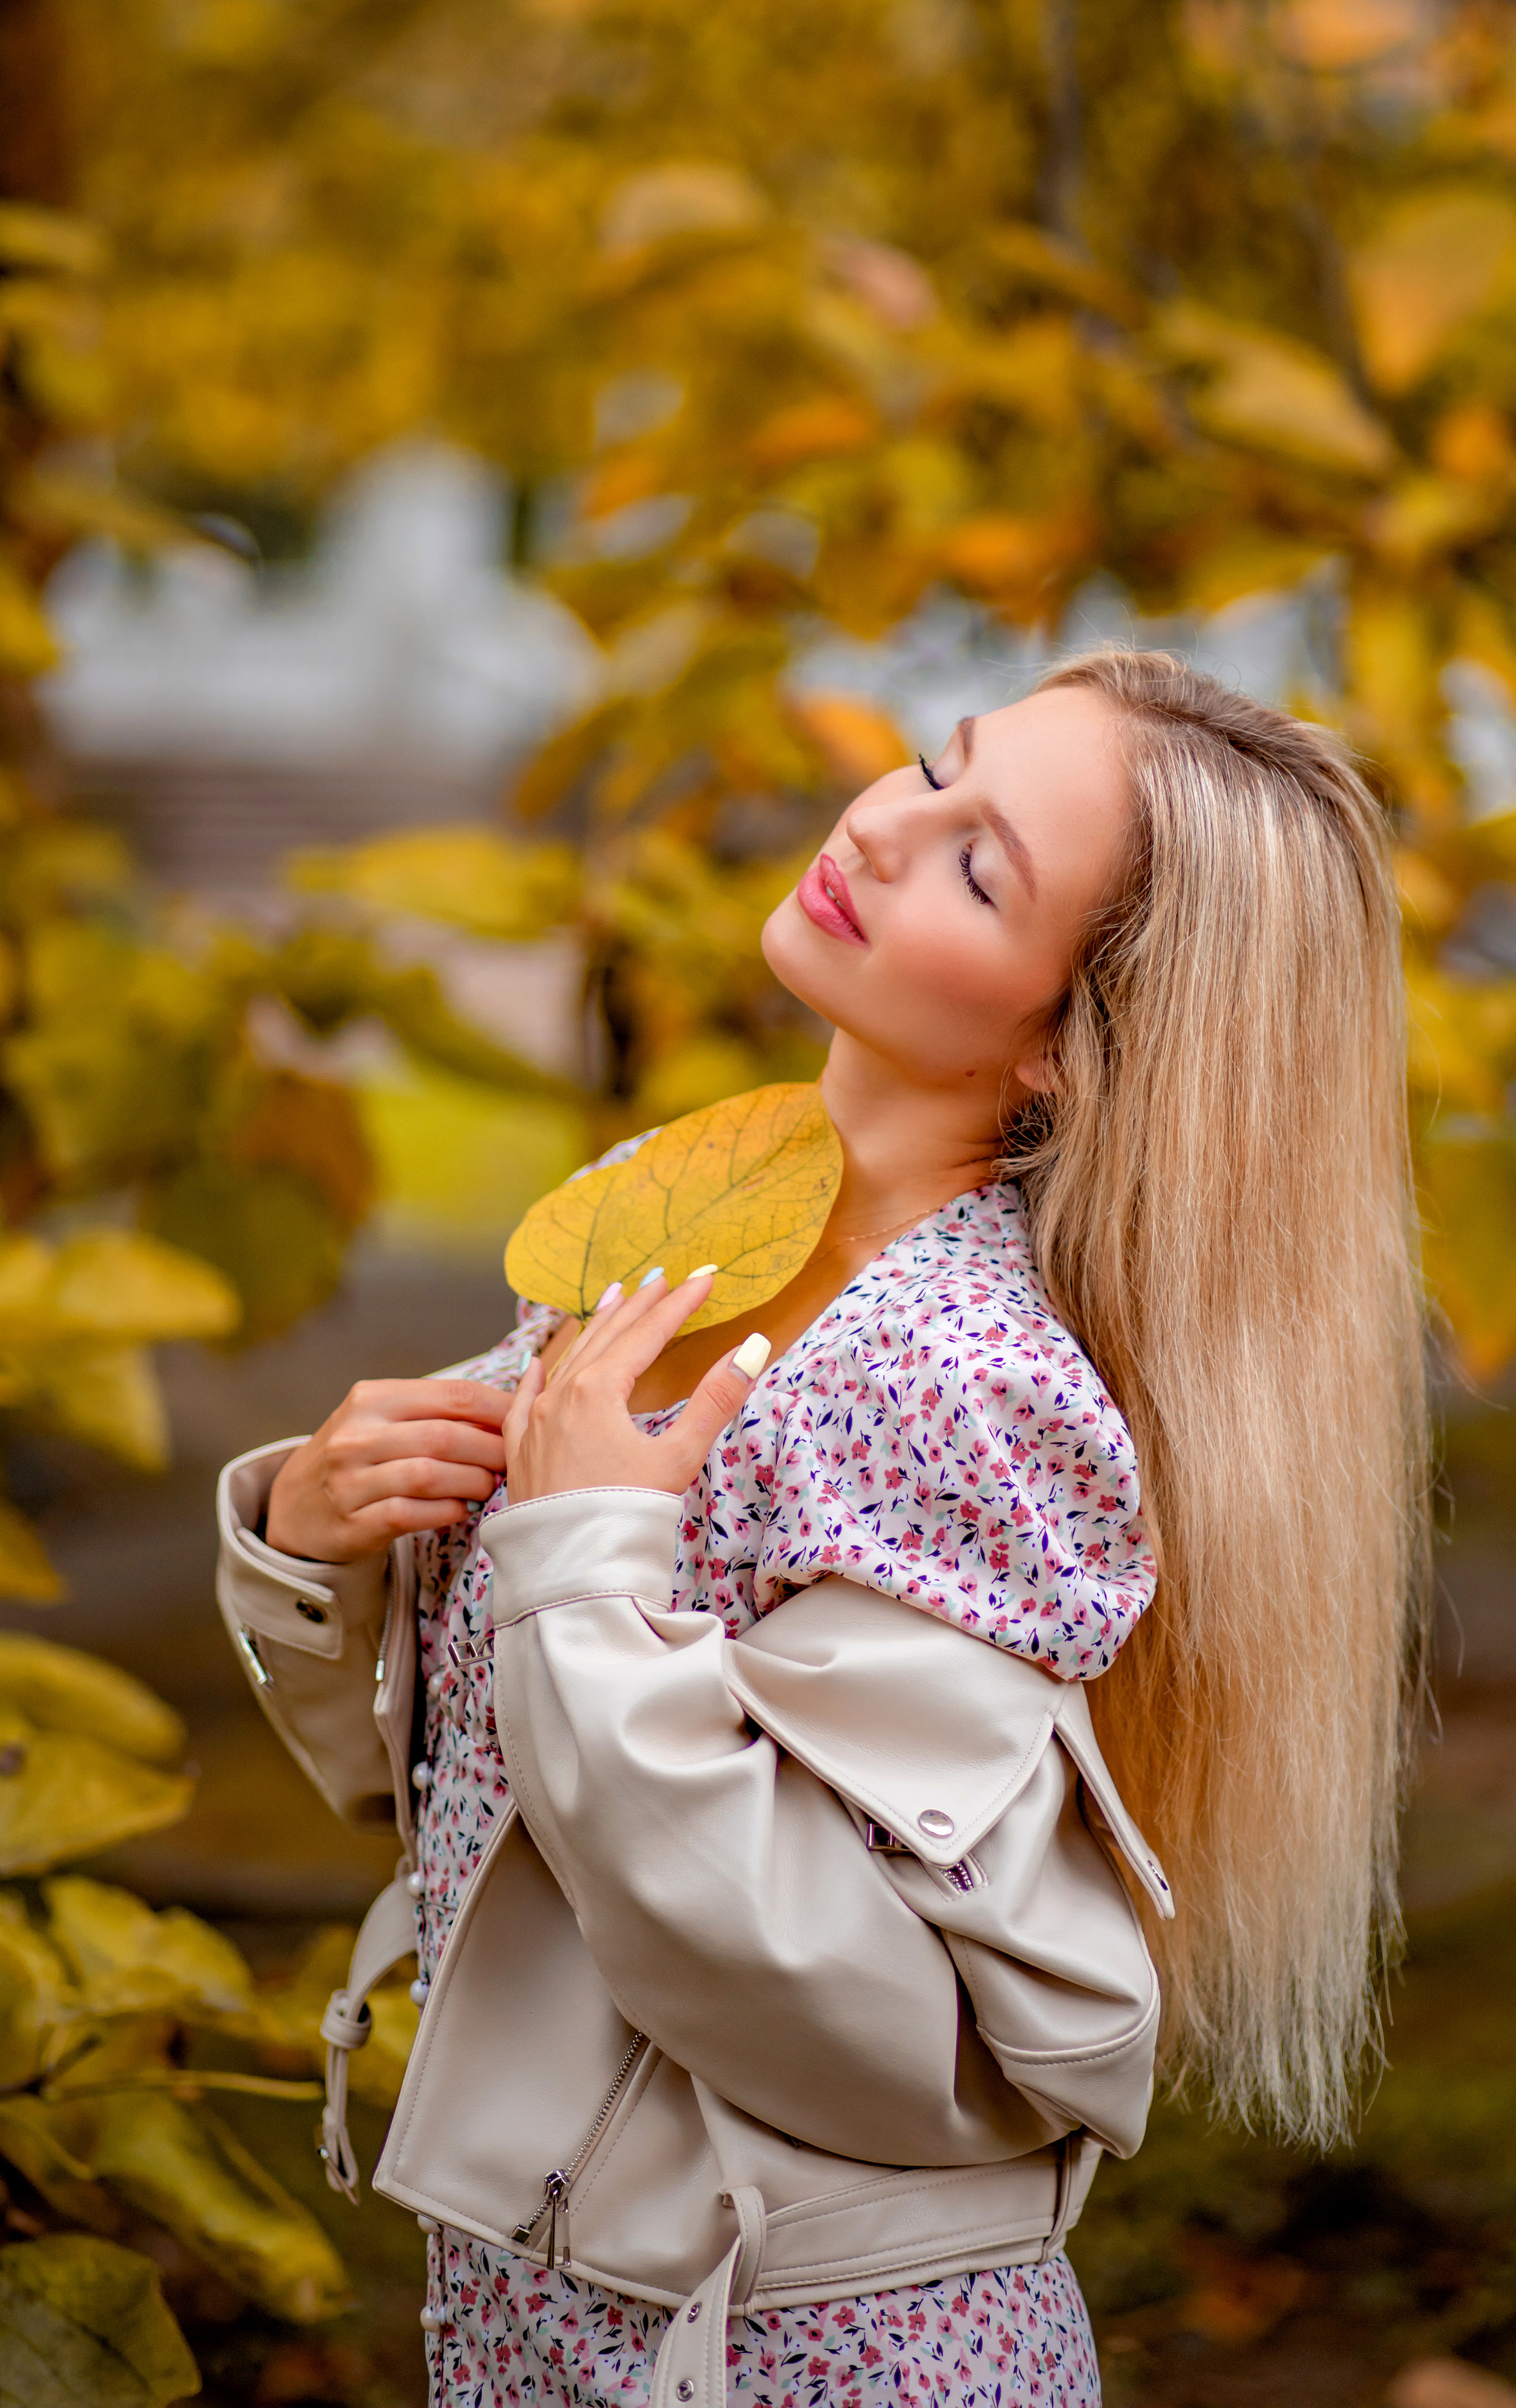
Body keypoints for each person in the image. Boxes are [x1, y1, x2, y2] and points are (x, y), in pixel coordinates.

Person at [215, 648, 1428, 2408]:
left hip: (805, 2350)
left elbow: (843, 2009)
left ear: (1064, 1049)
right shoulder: (683, 1214)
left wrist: (583, 1566)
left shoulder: (962, 1389)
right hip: (541, 2310)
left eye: (977, 866)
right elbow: (470, 1790)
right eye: (935, 768)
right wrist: (314, 1538)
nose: (876, 827)